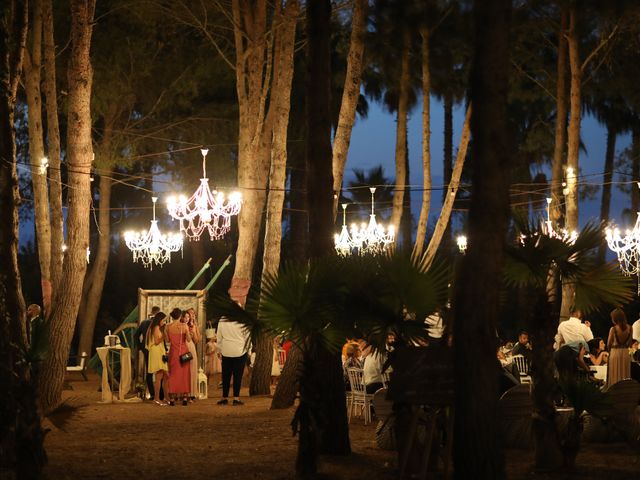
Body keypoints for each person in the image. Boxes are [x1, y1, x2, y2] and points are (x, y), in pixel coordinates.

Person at [217, 313, 251, 406]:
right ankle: (236, 398)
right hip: (240, 350)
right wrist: (249, 350)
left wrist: (219, 349)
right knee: (238, 376)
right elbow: (248, 336)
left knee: (226, 375)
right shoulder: (243, 319)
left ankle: (224, 398)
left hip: (226, 350)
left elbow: (219, 336)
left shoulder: (223, 319)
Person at [166, 307, 192, 406]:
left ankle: (172, 398)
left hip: (173, 353)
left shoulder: (168, 327)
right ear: (180, 315)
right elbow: (188, 340)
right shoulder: (184, 326)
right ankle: (185, 398)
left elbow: (168, 340)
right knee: (184, 375)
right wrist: (189, 332)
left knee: (172, 375)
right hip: (183, 353)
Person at [135, 306, 161, 400]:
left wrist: (141, 347)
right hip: (157, 350)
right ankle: (160, 394)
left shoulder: (144, 323)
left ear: (151, 312)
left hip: (147, 350)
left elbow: (136, 335)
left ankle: (152, 394)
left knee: (149, 372)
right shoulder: (159, 324)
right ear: (158, 313)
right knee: (159, 371)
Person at [606, 308, 633, 388]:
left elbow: (608, 344)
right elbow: (629, 343)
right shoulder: (630, 328)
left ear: (615, 318)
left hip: (615, 353)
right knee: (624, 374)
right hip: (625, 353)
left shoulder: (613, 329)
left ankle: (615, 394)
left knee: (615, 374)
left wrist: (609, 352)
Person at [146, 312, 168, 406]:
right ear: (159, 320)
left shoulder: (157, 327)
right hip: (156, 352)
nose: (164, 322)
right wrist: (164, 335)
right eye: (163, 320)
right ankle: (157, 398)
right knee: (159, 376)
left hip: (159, 351)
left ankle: (164, 397)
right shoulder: (155, 328)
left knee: (164, 375)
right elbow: (156, 341)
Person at [184, 309, 200, 401]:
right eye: (190, 313)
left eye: (194, 313)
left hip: (191, 347)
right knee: (185, 370)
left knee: (192, 370)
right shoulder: (183, 324)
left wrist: (194, 330)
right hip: (183, 347)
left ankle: (191, 393)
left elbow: (197, 340)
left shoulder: (194, 325)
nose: (192, 315)